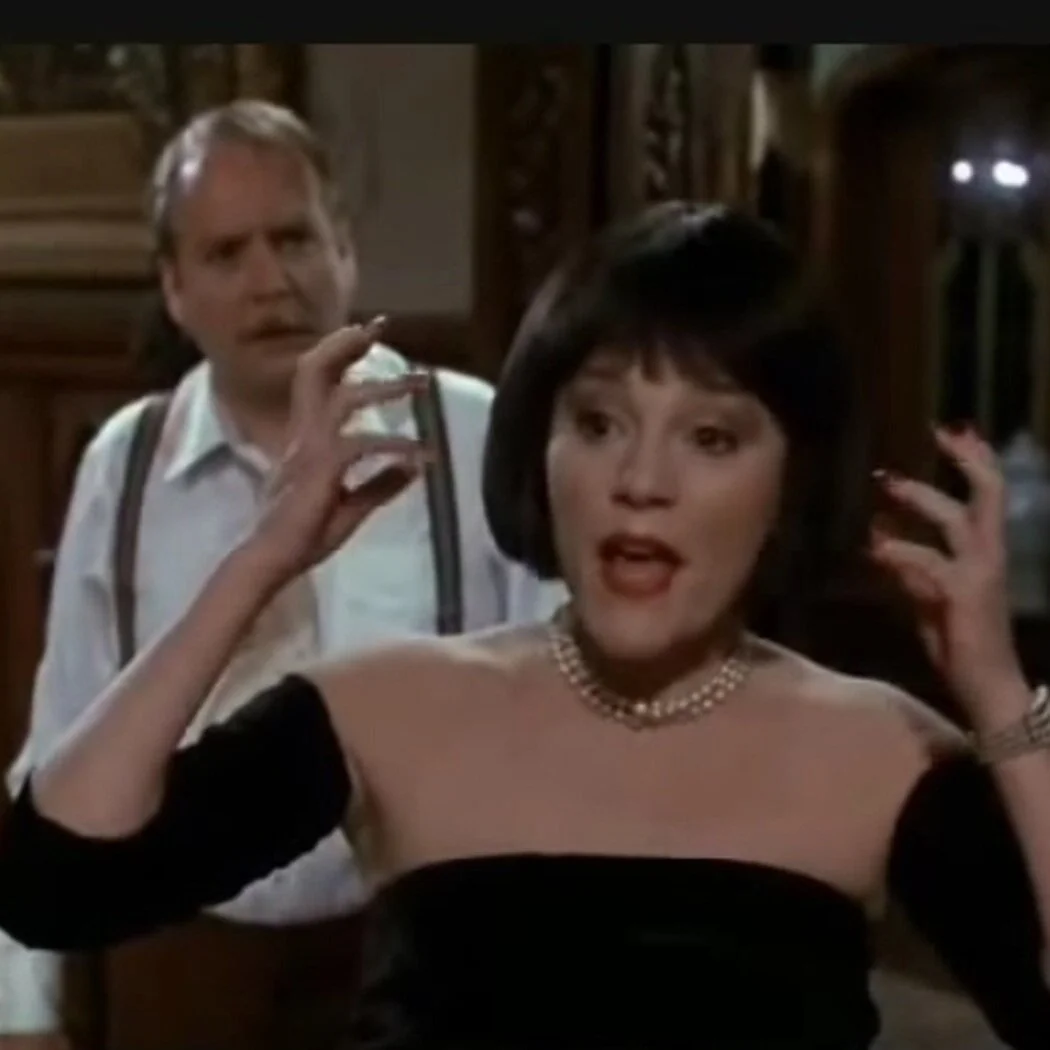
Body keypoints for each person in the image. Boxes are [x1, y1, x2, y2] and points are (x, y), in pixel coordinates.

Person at [1, 201, 1049, 1050]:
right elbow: (55, 884)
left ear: (793, 480)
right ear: (539, 448)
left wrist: (1000, 692)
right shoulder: (390, 708)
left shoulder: (883, 752)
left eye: (712, 437)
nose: (640, 480)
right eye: (597, 423)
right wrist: (259, 559)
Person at [0, 99, 561, 1049]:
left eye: (293, 239)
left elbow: (559, 716)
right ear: (175, 288)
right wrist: (23, 1013)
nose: (271, 281)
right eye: (227, 254)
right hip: (182, 958)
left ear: (345, 248)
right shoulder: (124, 466)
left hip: (421, 958)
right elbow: (64, 735)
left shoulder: (473, 434)